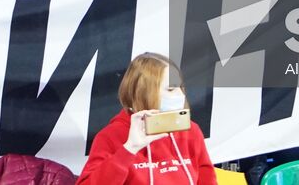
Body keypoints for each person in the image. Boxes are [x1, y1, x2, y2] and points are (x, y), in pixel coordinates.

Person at [77, 52, 216, 184]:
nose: (181, 94)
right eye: (170, 89)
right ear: (143, 93)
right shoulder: (110, 137)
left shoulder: (191, 132)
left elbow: (208, 181)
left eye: (181, 87)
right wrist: (129, 149)